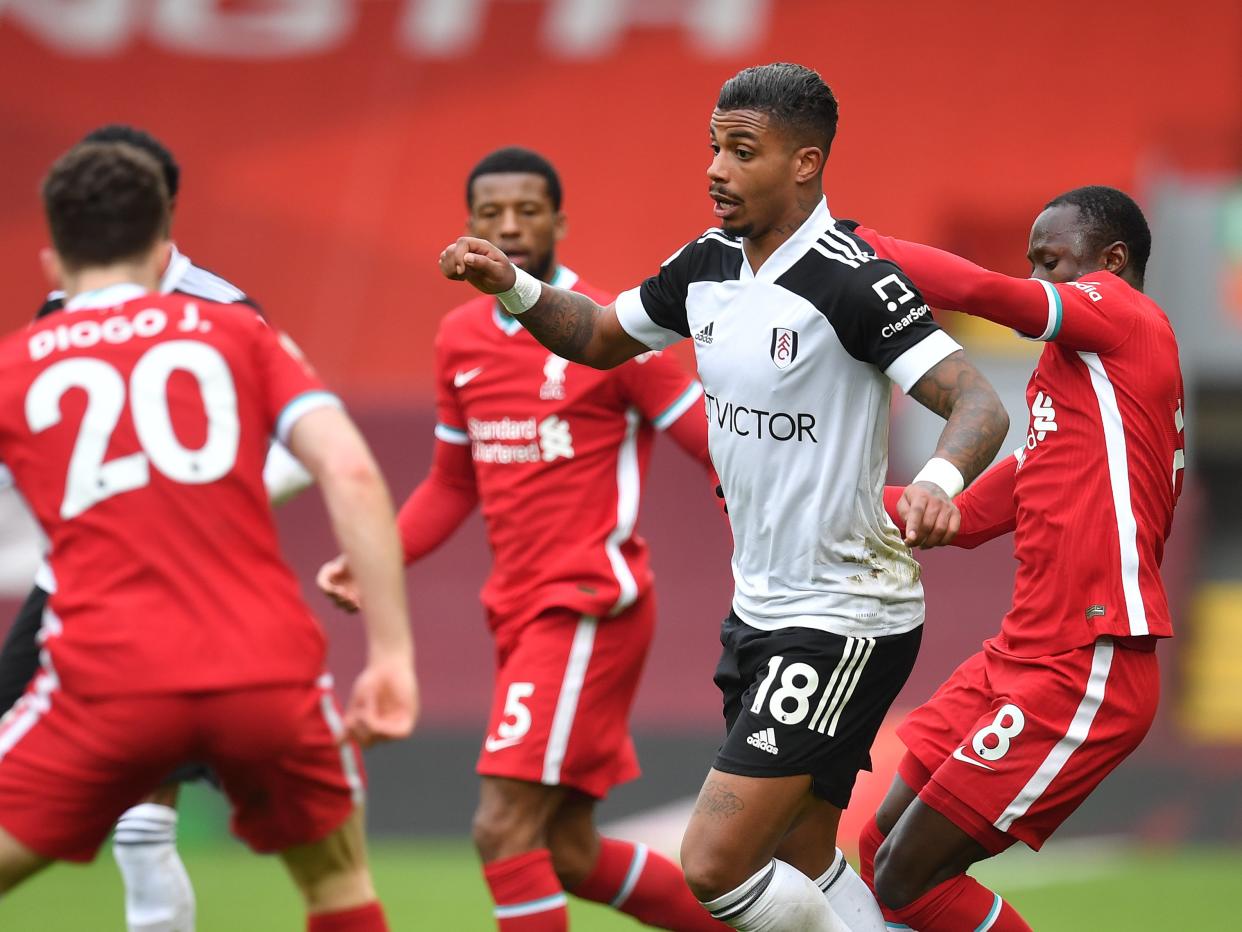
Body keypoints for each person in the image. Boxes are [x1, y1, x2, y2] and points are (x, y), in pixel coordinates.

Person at [437, 65, 1010, 931]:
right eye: (714, 147)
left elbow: (978, 401)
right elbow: (597, 335)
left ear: (805, 163)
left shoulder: (853, 281)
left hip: (844, 611)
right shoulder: (704, 266)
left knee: (714, 863)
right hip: (762, 610)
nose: (716, 168)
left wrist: (936, 483)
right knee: (803, 859)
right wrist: (513, 288)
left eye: (743, 151)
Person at [0, 141, 417, 932]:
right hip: (263, 671)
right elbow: (352, 473)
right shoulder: (236, 332)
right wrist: (392, 656)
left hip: (106, 677)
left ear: (53, 263)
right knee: (340, 889)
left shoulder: (17, 365)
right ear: (164, 249)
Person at [319, 146, 725, 932]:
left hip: (587, 607)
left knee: (500, 830)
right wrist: (377, 561)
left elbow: (714, 441)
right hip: (518, 612)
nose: (509, 226)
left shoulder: (610, 331)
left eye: (528, 211)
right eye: (491, 213)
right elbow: (450, 484)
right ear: (468, 225)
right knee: (567, 849)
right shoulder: (460, 339)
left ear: (560, 222)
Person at [847, 186, 1184, 931]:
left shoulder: (1130, 320)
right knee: (877, 852)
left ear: (1111, 262)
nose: (1037, 280)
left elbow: (986, 294)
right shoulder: (1077, 391)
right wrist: (821, 504)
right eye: (1031, 262)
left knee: (909, 877)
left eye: (1052, 263)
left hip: (1089, 661)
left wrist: (856, 246)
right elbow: (964, 517)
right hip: (1018, 656)